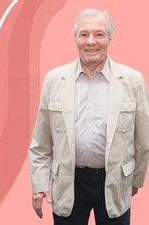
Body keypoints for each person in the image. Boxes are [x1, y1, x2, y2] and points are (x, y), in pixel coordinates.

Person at [29, 8, 149, 225]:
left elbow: (143, 140)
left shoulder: (133, 81)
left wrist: (135, 180)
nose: (91, 41)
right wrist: (39, 185)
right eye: (84, 34)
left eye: (99, 34)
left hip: (113, 181)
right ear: (75, 39)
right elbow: (41, 142)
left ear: (109, 38)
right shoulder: (54, 80)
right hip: (68, 180)